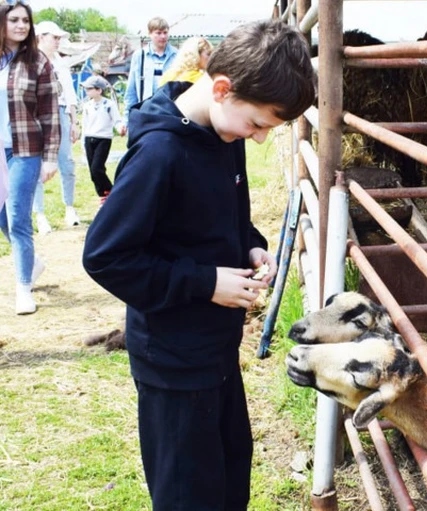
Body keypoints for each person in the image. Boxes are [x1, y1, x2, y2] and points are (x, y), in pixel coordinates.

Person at [82, 20, 315, 510]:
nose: (258, 139)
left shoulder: (222, 135)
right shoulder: (160, 153)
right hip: (173, 361)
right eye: (258, 125)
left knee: (229, 482)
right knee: (189, 496)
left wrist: (250, 246)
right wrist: (206, 282)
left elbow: (226, 217)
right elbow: (106, 256)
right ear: (223, 89)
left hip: (215, 350)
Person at [0, 1, 60, 315]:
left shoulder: (38, 61)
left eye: (25, 20)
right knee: (2, 218)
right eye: (14, 20)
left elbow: (50, 113)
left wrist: (50, 158)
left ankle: (23, 287)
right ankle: (33, 263)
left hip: (24, 150)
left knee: (18, 219)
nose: (21, 25)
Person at [32, 20, 79, 234]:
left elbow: (70, 94)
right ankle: (40, 214)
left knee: (66, 162)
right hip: (37, 114)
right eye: (55, 37)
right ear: (41, 37)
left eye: (59, 38)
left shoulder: (60, 63)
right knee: (36, 164)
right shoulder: (30, 61)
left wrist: (74, 121)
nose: (58, 41)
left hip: (60, 113)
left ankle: (69, 207)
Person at [122, 16, 177, 134]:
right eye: (158, 33)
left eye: (165, 32)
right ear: (150, 34)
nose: (163, 36)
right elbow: (131, 90)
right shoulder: (139, 56)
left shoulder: (177, 55)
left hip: (170, 114)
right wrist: (126, 119)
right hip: (146, 114)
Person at [80, 74, 123, 205]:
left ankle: (111, 190)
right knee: (93, 172)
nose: (87, 91)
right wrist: (83, 142)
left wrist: (120, 128)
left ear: (99, 90)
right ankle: (103, 194)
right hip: (89, 138)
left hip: (103, 139)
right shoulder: (87, 106)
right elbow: (85, 124)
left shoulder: (109, 105)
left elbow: (117, 120)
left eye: (90, 89)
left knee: (97, 168)